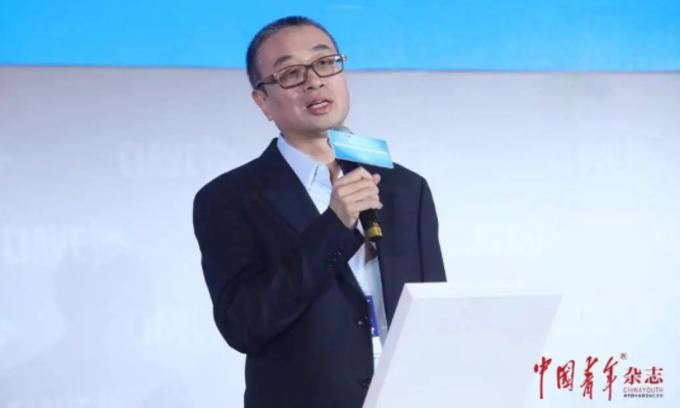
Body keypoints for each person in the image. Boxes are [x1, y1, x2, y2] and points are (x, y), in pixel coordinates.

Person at [192, 16, 446, 408]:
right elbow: (243, 325)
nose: (314, 81)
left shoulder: (405, 188)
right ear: (263, 102)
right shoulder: (229, 199)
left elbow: (431, 313)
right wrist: (334, 226)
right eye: (291, 73)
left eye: (325, 63)